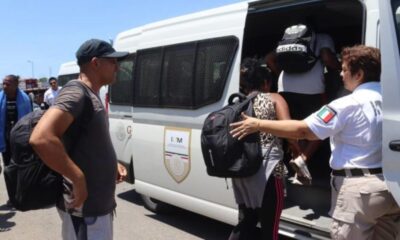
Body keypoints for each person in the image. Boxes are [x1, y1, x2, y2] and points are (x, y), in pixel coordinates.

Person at [230, 45, 400, 239]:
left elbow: (304, 130)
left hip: (360, 194)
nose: (341, 74)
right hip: (391, 187)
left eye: (344, 69)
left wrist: (258, 124)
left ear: (359, 74)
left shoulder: (347, 104)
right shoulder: (393, 101)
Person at [30, 39, 128, 240]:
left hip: (97, 208)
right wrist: (77, 177)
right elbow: (42, 138)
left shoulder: (92, 94)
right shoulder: (77, 92)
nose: (117, 67)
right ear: (95, 63)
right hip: (85, 211)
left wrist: (111, 164)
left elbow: (88, 142)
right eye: (112, 61)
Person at [229, 57, 298, 240]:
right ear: (266, 82)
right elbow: (290, 132)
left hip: (243, 170)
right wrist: (298, 152)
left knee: (246, 222)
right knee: (270, 227)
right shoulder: (275, 99)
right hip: (268, 170)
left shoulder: (238, 104)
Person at [277, 24, 340, 185]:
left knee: (295, 127)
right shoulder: (324, 37)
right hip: (312, 90)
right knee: (319, 126)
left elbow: (270, 58)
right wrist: (339, 67)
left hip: (284, 87)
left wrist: (282, 75)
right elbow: (326, 58)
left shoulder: (286, 40)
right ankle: (303, 159)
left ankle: (298, 159)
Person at [0, 75, 32, 202]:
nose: (4, 86)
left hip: (21, 141)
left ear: (16, 85)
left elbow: (31, 118)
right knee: (9, 169)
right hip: (5, 141)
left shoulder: (25, 99)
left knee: (24, 167)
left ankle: (24, 195)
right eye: (3, 83)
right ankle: (12, 197)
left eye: (8, 84)